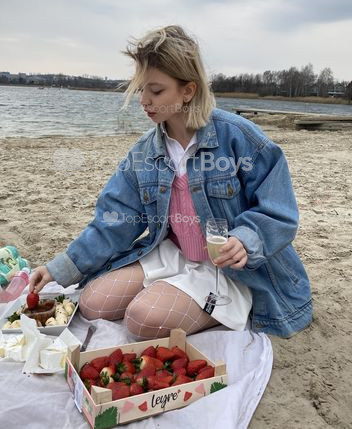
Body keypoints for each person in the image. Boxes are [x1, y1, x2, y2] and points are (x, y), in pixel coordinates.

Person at [29, 25, 312, 338]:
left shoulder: (239, 137)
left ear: (188, 91)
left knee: (141, 319)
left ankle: (225, 304)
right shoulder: (144, 153)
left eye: (156, 91)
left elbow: (279, 210)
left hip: (231, 269)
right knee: (92, 302)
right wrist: (59, 268)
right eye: (141, 89)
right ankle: (174, 291)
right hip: (174, 254)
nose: (144, 100)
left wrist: (246, 239)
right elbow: (113, 221)